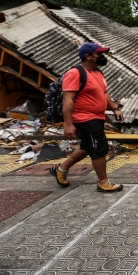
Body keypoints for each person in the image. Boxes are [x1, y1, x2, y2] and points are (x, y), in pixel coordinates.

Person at [50, 42, 124, 192]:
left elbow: (103, 93)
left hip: (97, 117)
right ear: (87, 56)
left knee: (87, 147)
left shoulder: (98, 72)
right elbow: (68, 99)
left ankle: (61, 169)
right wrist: (69, 124)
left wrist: (114, 108)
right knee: (99, 148)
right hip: (84, 118)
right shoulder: (75, 73)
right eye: (99, 54)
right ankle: (103, 182)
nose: (102, 57)